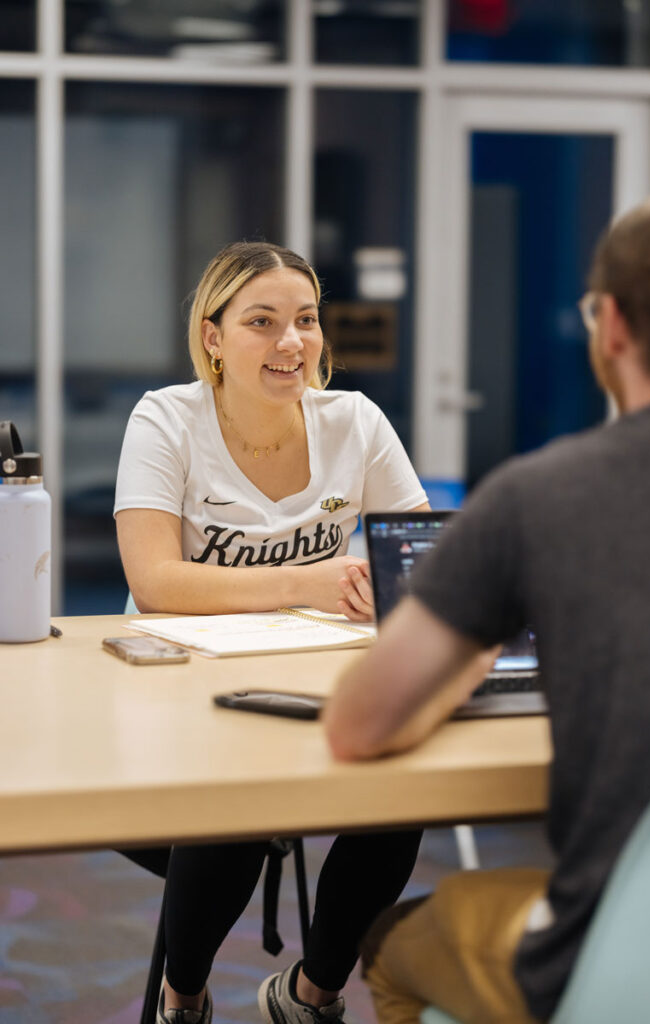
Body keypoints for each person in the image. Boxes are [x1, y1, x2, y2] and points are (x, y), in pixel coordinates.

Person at [323, 189, 650, 1024]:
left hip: (626, 954)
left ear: (613, 326)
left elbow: (357, 725)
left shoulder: (541, 496)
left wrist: (473, 663)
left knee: (395, 942)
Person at [114, 241, 429, 1024]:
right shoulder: (166, 419)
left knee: (400, 789)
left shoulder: (355, 422)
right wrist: (311, 581)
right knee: (240, 806)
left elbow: (420, 560)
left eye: (306, 320)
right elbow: (155, 582)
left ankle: (310, 994)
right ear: (213, 337)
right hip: (170, 700)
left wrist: (392, 586)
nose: (292, 343)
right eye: (262, 322)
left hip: (311, 684)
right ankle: (182, 996)